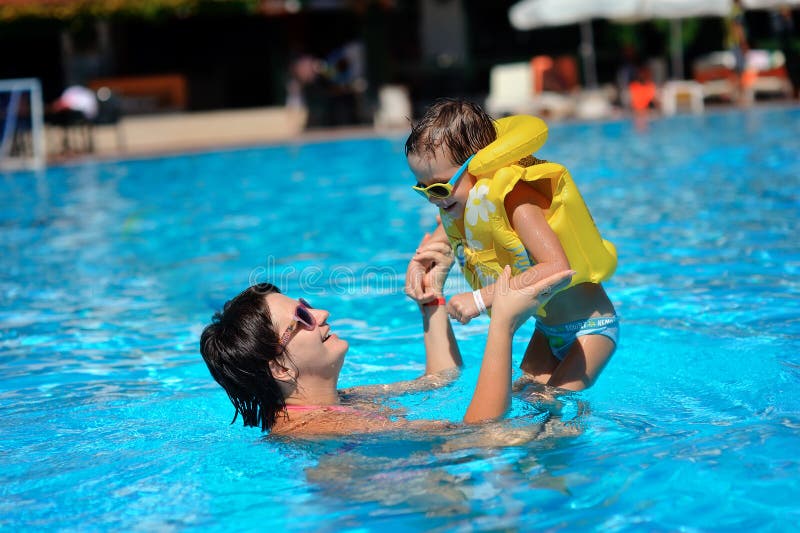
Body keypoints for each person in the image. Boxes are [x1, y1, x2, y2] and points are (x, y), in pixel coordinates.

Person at [200, 238, 573, 435]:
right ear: (280, 366)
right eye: (302, 317)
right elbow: (481, 434)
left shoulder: (338, 401)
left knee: (541, 395)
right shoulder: (321, 428)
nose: (321, 314)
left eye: (306, 304)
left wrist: (432, 298)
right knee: (541, 426)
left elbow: (439, 381)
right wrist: (501, 325)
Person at [405, 98, 618, 392]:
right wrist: (419, 262)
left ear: (479, 164)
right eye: (422, 189)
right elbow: (445, 233)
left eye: (439, 186)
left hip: (590, 328)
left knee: (554, 411)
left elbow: (557, 268)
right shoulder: (464, 203)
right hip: (547, 330)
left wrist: (479, 299)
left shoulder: (516, 200)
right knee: (524, 397)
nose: (433, 198)